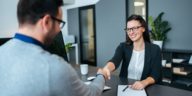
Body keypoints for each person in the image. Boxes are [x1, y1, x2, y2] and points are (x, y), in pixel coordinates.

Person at [0, 0, 107, 96]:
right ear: (46, 22)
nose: (58, 29)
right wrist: (101, 75)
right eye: (59, 23)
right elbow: (91, 94)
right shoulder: (53, 68)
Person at [103, 14, 162, 90]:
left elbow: (155, 74)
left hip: (147, 89)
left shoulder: (155, 49)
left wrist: (143, 82)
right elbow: (115, 60)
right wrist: (107, 68)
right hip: (126, 88)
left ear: (143, 28)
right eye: (128, 29)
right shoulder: (123, 47)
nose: (131, 32)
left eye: (134, 28)